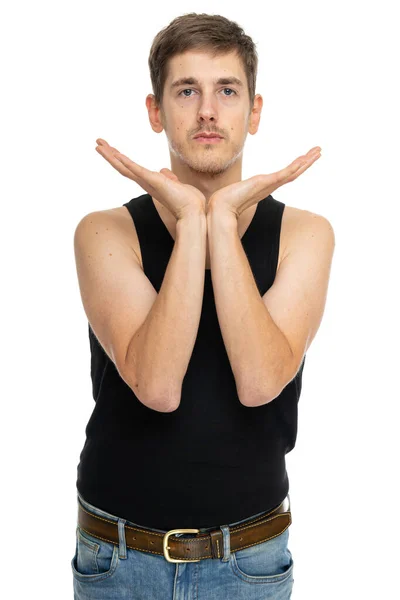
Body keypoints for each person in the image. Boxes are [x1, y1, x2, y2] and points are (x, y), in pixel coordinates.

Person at [71, 12, 335, 600]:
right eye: (186, 90)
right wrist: (194, 220)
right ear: (156, 111)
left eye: (227, 91)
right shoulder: (104, 233)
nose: (208, 111)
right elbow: (157, 384)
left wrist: (220, 223)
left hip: (250, 562)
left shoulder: (306, 236)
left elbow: (260, 381)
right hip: (118, 559)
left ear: (255, 111)